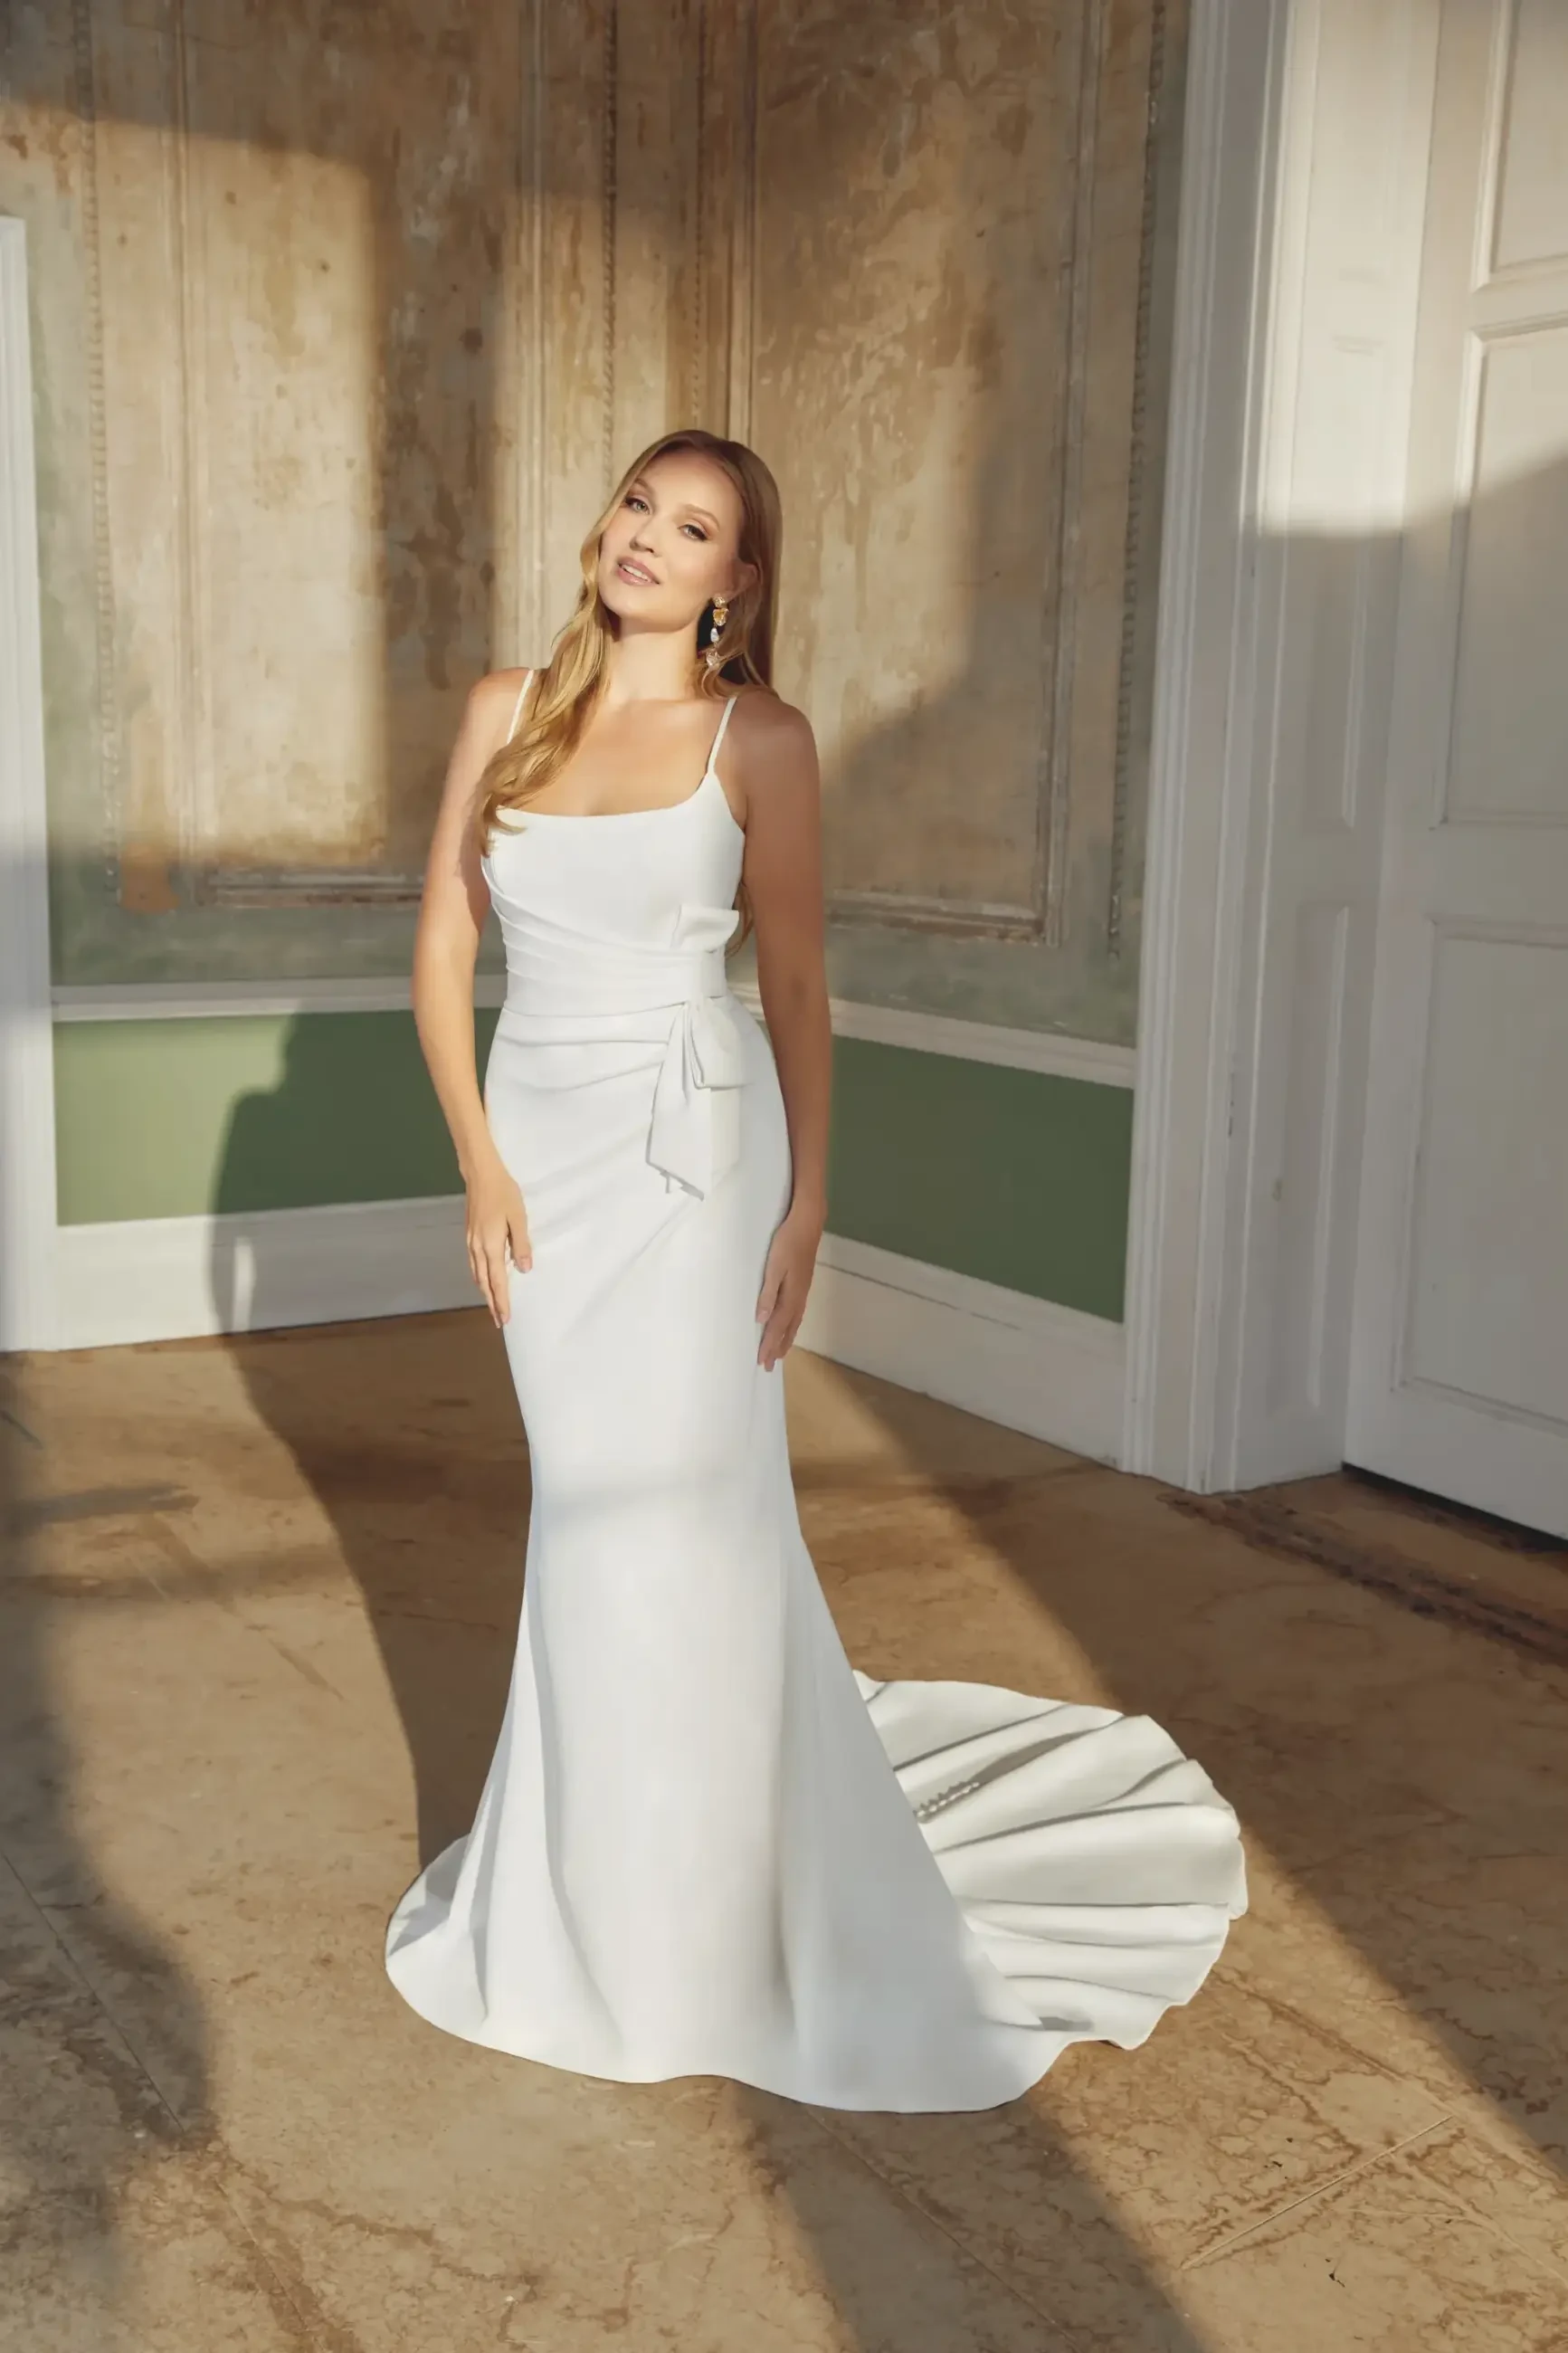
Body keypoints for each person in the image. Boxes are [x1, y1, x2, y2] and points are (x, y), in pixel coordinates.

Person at [384, 427, 1247, 2111]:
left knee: (694, 1510)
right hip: (545, 1152)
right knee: (584, 1508)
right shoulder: (507, 709)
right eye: (638, 502)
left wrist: (804, 1209)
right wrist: (477, 1161)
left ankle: (712, 1905)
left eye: (691, 526)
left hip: (706, 1169)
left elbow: (791, 989)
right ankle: (592, 1893)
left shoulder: (758, 739)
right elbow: (439, 938)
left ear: (736, 581)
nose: (647, 537)